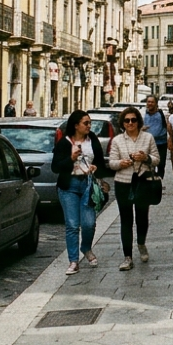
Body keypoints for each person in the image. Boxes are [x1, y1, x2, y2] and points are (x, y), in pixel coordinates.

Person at [52, 110, 107, 275]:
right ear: (76, 125)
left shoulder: (93, 140)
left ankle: (86, 247)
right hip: (69, 186)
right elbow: (55, 167)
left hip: (87, 185)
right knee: (72, 225)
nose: (89, 126)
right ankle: (74, 261)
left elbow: (100, 161)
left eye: (89, 123)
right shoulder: (64, 143)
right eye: (86, 123)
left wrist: (96, 168)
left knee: (89, 223)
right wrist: (70, 158)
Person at [109, 107, 160, 271]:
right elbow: (111, 163)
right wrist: (121, 163)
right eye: (127, 120)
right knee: (126, 219)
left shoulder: (148, 138)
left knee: (142, 216)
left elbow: (157, 159)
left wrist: (145, 157)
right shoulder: (117, 140)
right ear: (122, 123)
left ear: (138, 121)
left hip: (143, 181)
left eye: (133, 120)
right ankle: (127, 257)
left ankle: (141, 243)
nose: (130, 123)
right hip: (123, 182)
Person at [142, 95, 170, 179]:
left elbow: (168, 127)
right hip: (148, 144)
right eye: (148, 102)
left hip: (161, 143)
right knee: (149, 164)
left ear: (156, 103)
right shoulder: (143, 114)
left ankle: (159, 182)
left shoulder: (162, 114)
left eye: (152, 102)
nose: (150, 104)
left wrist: (171, 140)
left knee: (161, 165)